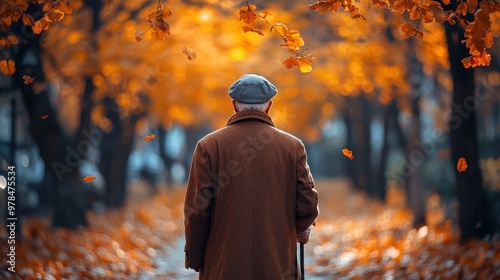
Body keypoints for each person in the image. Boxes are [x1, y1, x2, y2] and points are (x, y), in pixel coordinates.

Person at [184, 74, 319, 279]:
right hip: (277, 267)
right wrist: (302, 227)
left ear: (234, 106)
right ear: (269, 106)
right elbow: (307, 203)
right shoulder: (293, 147)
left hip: (224, 267)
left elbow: (197, 210)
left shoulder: (209, 146)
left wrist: (195, 257)